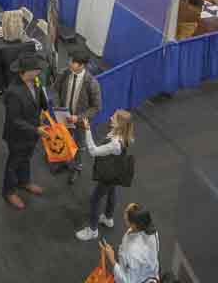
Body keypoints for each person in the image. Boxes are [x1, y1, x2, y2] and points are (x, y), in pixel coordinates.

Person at [75, 110, 135, 241]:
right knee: (112, 191)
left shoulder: (115, 143)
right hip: (117, 171)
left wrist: (87, 130)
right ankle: (108, 217)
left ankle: (92, 230)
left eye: (113, 117)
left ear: (119, 124)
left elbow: (93, 151)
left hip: (108, 175)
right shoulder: (124, 135)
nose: (110, 117)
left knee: (95, 199)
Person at [2, 53, 50, 210]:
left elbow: (39, 102)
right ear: (26, 71)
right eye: (36, 69)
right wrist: (36, 129)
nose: (39, 71)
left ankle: (24, 182)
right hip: (17, 136)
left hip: (32, 133)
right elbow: (14, 120)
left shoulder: (34, 82)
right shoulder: (14, 92)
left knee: (27, 158)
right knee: (13, 163)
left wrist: (42, 113)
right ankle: (9, 191)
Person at [54, 51, 102, 185]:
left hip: (80, 122)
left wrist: (79, 118)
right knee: (64, 139)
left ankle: (77, 167)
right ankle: (65, 162)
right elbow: (56, 90)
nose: (70, 63)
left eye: (73, 62)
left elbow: (96, 107)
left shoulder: (92, 83)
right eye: (70, 60)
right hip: (64, 116)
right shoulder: (65, 73)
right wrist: (58, 108)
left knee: (80, 146)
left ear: (82, 65)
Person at [99, 203, 160, 283]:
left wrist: (112, 260)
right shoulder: (150, 230)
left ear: (133, 224)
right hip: (148, 272)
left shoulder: (133, 252)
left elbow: (128, 281)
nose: (125, 212)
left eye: (126, 213)